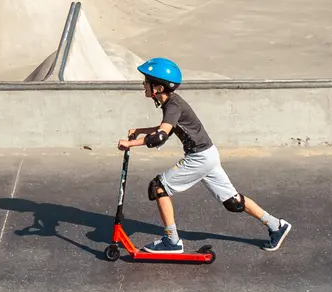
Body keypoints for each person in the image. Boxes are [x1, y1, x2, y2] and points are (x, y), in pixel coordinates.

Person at [117, 57, 291, 254]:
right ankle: (276, 225)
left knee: (158, 187)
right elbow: (167, 128)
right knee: (233, 202)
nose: (143, 85)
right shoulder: (171, 103)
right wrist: (140, 130)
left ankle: (172, 241)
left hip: (199, 157)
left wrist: (131, 143)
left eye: (146, 82)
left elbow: (160, 136)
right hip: (208, 154)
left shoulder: (173, 105)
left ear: (157, 87)